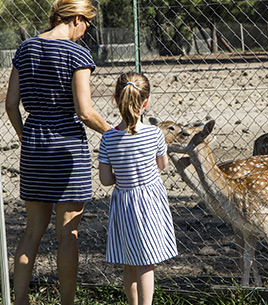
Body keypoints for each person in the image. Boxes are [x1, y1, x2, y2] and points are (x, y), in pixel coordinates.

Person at [4, 0, 111, 304]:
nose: (86, 29)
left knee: (31, 231)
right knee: (68, 234)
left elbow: (11, 104)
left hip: (35, 144)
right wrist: (114, 132)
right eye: (87, 22)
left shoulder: (25, 49)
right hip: (67, 149)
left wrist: (26, 137)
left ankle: (20, 299)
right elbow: (85, 112)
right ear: (76, 17)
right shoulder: (77, 53)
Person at [98, 72, 177, 305]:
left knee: (129, 261)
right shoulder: (155, 134)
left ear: (116, 99)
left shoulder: (108, 138)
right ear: (146, 102)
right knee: (146, 262)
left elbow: (105, 179)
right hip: (150, 202)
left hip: (124, 203)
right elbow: (161, 164)